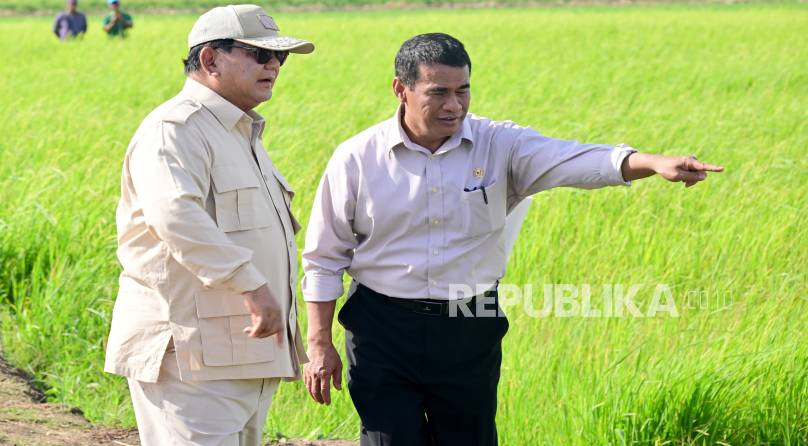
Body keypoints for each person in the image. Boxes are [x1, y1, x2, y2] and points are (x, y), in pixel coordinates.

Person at [301, 33, 724, 446]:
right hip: (382, 326)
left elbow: (574, 159)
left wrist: (651, 162)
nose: (454, 105)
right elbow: (324, 257)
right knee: (388, 439)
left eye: (463, 90)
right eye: (439, 92)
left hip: (471, 323)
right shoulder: (356, 158)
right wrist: (319, 344)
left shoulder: (501, 144)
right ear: (401, 89)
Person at [104, 4, 315, 446]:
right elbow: (175, 216)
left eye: (280, 57)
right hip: (190, 355)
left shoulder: (239, 132)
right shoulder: (175, 129)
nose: (274, 65)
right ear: (210, 59)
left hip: (240, 352)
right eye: (259, 54)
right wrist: (254, 287)